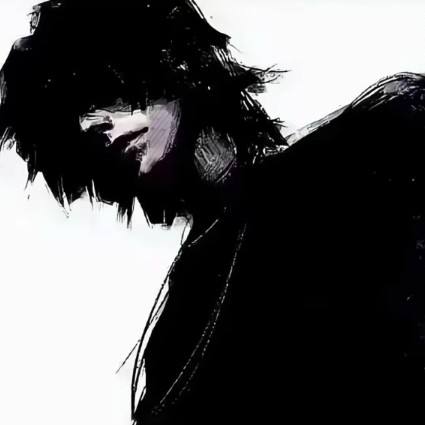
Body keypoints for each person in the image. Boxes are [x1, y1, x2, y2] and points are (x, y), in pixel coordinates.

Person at [0, 1, 424, 424]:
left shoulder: (373, 146)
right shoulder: (178, 327)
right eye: (73, 124)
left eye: (100, 94)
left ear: (177, 66)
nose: (90, 125)